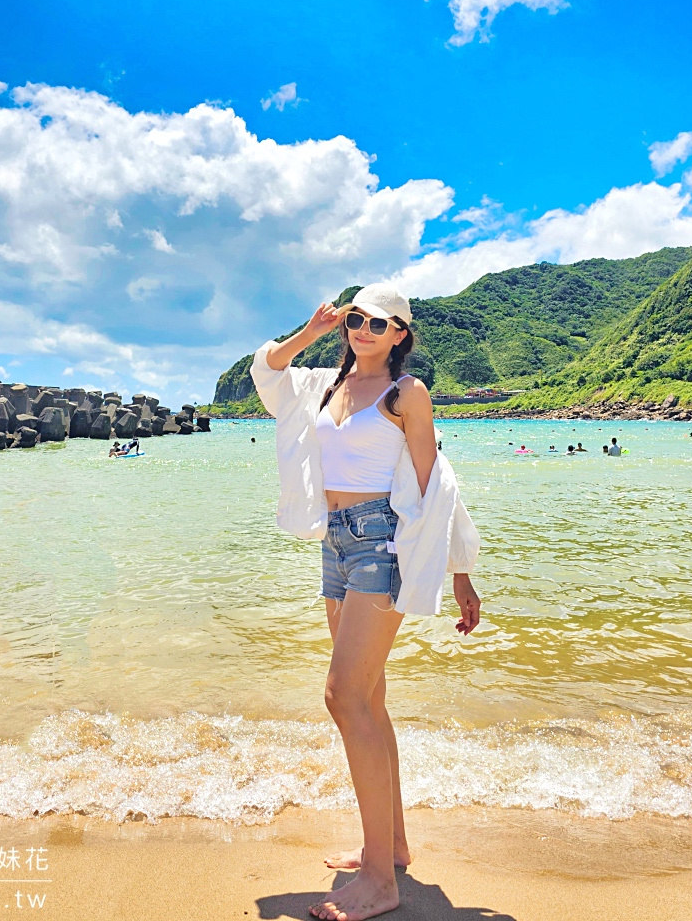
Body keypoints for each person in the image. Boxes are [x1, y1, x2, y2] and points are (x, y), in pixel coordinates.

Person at [251, 284, 480, 921]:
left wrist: (461, 570)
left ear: (400, 333)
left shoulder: (407, 394)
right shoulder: (323, 383)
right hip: (334, 543)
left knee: (343, 695)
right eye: (356, 319)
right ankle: (394, 847)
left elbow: (436, 485)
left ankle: (381, 881)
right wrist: (311, 330)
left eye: (377, 322)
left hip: (383, 541)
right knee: (370, 697)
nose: (363, 329)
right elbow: (265, 372)